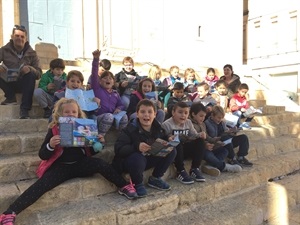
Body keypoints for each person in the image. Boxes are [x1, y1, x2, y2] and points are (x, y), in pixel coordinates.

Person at [0, 98, 138, 225]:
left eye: (74, 111)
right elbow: (43, 155)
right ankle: (10, 212)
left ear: (78, 114)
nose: (71, 114)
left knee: (101, 164)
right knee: (41, 185)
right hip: (61, 167)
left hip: (81, 164)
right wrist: (51, 145)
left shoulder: (84, 128)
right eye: (67, 112)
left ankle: (124, 186)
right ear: (60, 114)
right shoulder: (54, 129)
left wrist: (99, 143)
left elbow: (92, 151)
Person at [112, 99, 176, 197]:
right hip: (131, 162)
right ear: (137, 114)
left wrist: (169, 138)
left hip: (148, 158)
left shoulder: (158, 127)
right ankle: (137, 183)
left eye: (150, 112)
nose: (146, 115)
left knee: (171, 150)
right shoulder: (130, 129)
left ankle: (155, 178)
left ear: (155, 114)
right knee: (138, 157)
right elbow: (119, 149)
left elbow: (164, 138)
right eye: (142, 112)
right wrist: (136, 147)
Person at [0, 25, 42, 119]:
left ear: (26, 39)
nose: (19, 38)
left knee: (31, 74)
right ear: (12, 37)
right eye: (17, 36)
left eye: (22, 36)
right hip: (8, 82)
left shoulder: (32, 53)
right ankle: (10, 97)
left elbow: (39, 73)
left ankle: (25, 110)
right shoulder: (4, 50)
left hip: (24, 84)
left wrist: (30, 69)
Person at [189, 102, 242, 176]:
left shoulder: (202, 124)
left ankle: (210, 166)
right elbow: (192, 139)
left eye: (204, 116)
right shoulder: (190, 124)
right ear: (193, 114)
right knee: (207, 154)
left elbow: (208, 137)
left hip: (208, 146)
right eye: (201, 116)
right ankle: (223, 166)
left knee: (224, 151)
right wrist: (206, 145)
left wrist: (217, 140)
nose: (203, 118)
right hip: (198, 149)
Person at [162, 102, 206, 184]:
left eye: (186, 113)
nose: (183, 115)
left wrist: (200, 135)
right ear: (173, 112)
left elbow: (194, 135)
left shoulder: (188, 122)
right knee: (177, 141)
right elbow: (163, 140)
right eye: (180, 112)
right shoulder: (166, 125)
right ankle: (180, 171)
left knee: (200, 142)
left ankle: (195, 169)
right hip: (174, 152)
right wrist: (169, 138)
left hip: (185, 149)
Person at [91, 50, 127, 136]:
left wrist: (119, 108)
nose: (108, 79)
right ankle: (101, 136)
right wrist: (96, 60)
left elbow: (121, 105)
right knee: (109, 116)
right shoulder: (97, 89)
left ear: (113, 82)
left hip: (112, 118)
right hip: (98, 117)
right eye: (105, 78)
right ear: (100, 81)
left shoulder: (115, 93)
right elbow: (94, 74)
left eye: (110, 78)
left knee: (124, 116)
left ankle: (122, 136)